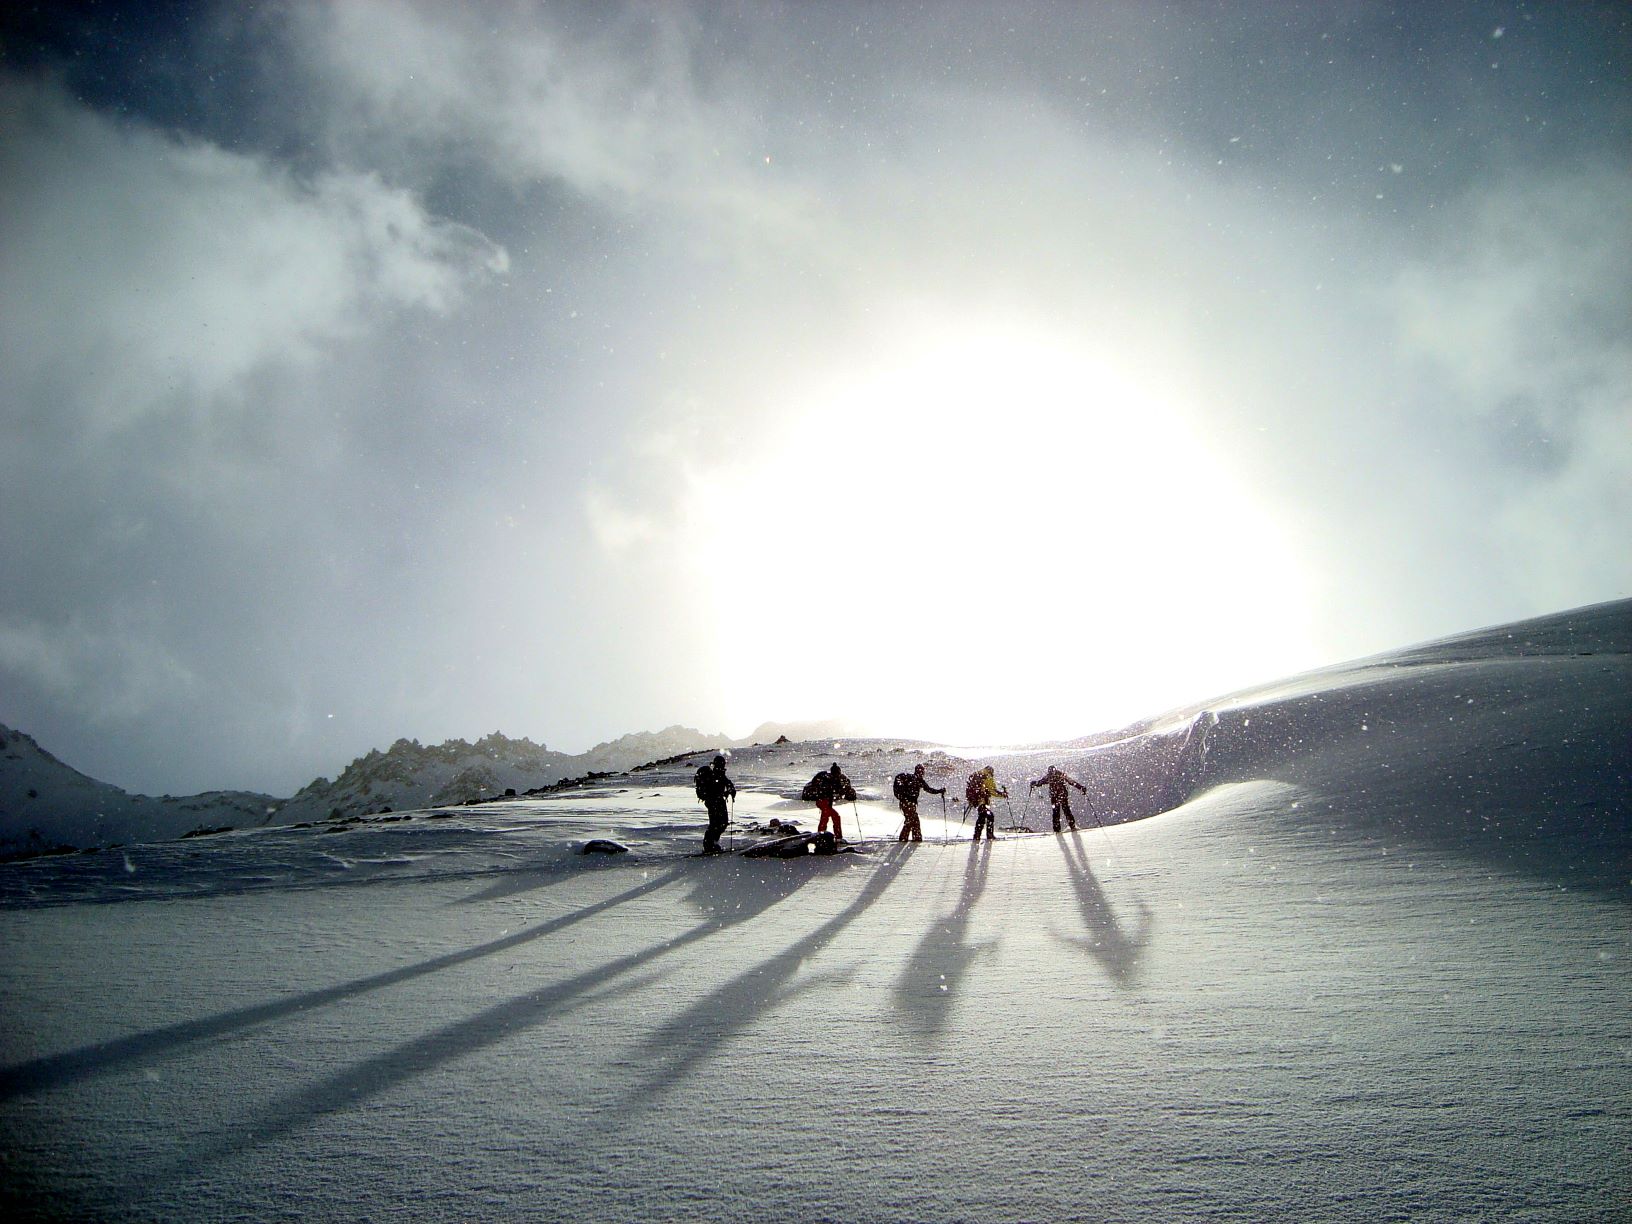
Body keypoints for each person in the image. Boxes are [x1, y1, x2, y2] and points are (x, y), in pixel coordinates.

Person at [801, 762, 857, 842]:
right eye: (838, 774)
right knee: (831, 817)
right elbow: (839, 789)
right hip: (823, 802)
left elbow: (839, 789)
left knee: (828, 817)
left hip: (824, 802)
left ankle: (822, 835)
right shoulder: (829, 780)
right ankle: (832, 837)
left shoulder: (826, 778)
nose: (838, 776)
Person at [891, 763, 946, 843]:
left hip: (905, 803)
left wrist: (939, 791)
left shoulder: (913, 779)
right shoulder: (915, 779)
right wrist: (939, 791)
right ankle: (911, 839)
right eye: (922, 771)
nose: (922, 773)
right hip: (908, 803)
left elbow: (929, 789)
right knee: (912, 820)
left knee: (911, 820)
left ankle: (910, 838)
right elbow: (929, 790)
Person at [694, 753, 736, 854]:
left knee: (717, 823)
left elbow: (726, 783)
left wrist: (728, 791)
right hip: (716, 801)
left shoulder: (717, 774)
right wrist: (729, 791)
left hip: (713, 801)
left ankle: (710, 844)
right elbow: (725, 784)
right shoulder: (717, 774)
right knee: (719, 823)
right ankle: (710, 844)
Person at [1030, 765, 1089, 833]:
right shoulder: (1060, 775)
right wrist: (1081, 788)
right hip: (1062, 796)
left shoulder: (1049, 777)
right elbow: (1072, 782)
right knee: (1066, 811)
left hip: (1054, 797)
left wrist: (1034, 783)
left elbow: (1040, 782)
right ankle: (1072, 826)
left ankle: (1057, 830)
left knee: (1056, 813)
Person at [965, 766, 1007, 841]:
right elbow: (992, 791)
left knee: (982, 817)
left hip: (978, 801)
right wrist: (1002, 794)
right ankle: (989, 835)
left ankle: (977, 836)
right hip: (983, 801)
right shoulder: (987, 777)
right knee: (990, 816)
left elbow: (989, 790)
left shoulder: (979, 776)